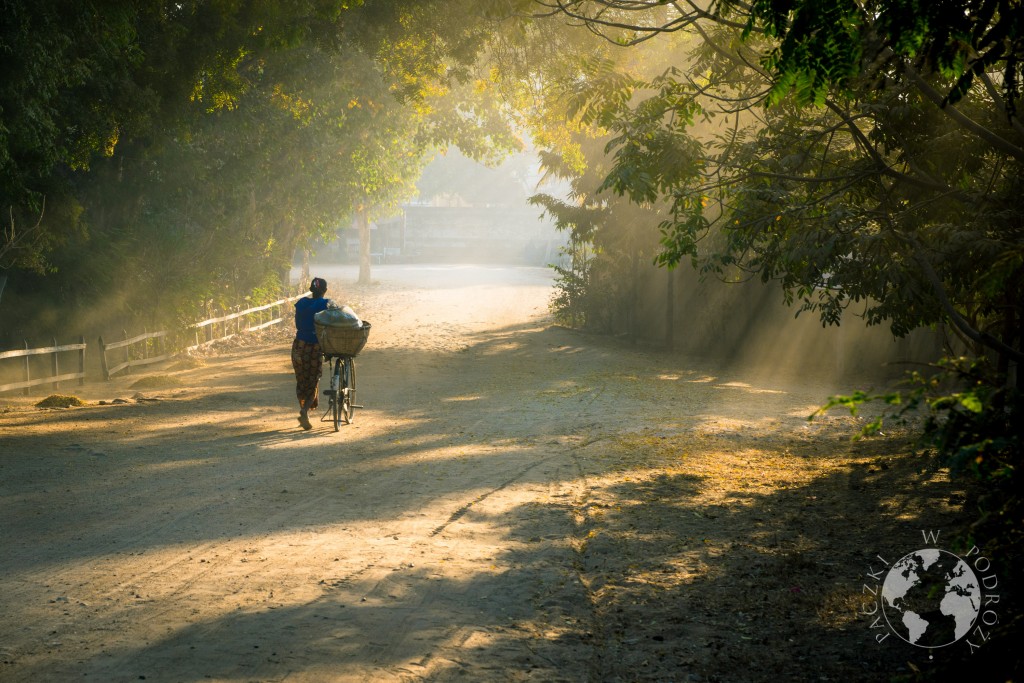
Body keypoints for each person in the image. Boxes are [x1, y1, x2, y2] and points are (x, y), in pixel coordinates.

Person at [292, 277, 330, 430]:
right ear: (325, 290)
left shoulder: (301, 303)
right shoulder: (325, 304)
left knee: (302, 380)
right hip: (313, 347)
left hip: (298, 346)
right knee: (313, 380)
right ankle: (304, 411)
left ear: (311, 290)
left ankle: (304, 408)